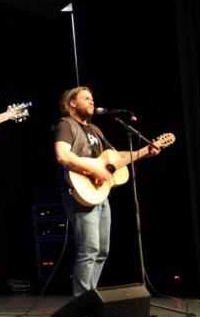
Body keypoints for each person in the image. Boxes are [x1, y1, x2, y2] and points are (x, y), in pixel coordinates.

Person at [53, 86, 159, 297]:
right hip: (79, 191)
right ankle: (81, 304)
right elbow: (62, 155)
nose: (92, 102)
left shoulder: (95, 130)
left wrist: (144, 152)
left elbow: (113, 157)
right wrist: (93, 168)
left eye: (92, 98)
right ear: (72, 103)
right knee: (89, 250)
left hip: (100, 194)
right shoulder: (65, 124)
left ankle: (89, 298)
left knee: (101, 252)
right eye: (86, 98)